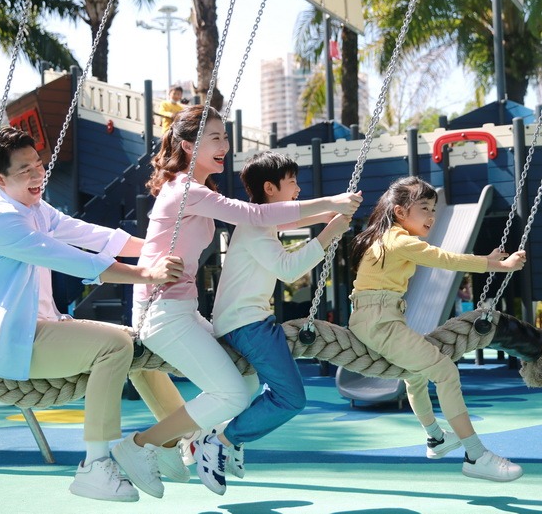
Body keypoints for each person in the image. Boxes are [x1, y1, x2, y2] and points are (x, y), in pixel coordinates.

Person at [111, 105, 362, 499]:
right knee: (231, 394)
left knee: (245, 381)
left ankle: (189, 444)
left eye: (225, 137)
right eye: (215, 137)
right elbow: (254, 215)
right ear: (188, 145)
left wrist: (329, 216)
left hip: (184, 310)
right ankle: (140, 445)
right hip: (161, 312)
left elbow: (265, 218)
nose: (224, 145)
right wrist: (331, 203)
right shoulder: (185, 190)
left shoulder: (200, 192)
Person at [0, 126, 185, 502]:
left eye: (38, 164)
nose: (37, 174)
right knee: (115, 346)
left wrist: (155, 249)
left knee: (138, 342)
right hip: (13, 341)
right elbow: (73, 259)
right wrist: (147, 273)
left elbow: (88, 234)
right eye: (24, 170)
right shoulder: (1, 220)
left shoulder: (33, 207)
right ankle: (95, 466)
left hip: (41, 329)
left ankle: (178, 439)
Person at [348, 176, 527, 482]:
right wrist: (498, 265)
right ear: (400, 212)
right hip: (379, 321)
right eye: (424, 208)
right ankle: (476, 455)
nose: (431, 215)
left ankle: (436, 437)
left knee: (416, 375)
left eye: (433, 209)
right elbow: (444, 259)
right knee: (445, 372)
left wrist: (488, 261)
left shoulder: (384, 237)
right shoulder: (399, 240)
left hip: (376, 318)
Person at [209, 150, 354, 480]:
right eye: (292, 182)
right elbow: (288, 270)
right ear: (270, 188)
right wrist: (329, 232)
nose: (298, 189)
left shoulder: (260, 223)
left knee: (273, 393)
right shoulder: (255, 226)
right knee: (290, 398)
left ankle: (228, 438)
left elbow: (292, 219)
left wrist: (329, 215)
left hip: (249, 322)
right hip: (246, 324)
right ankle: (222, 440)